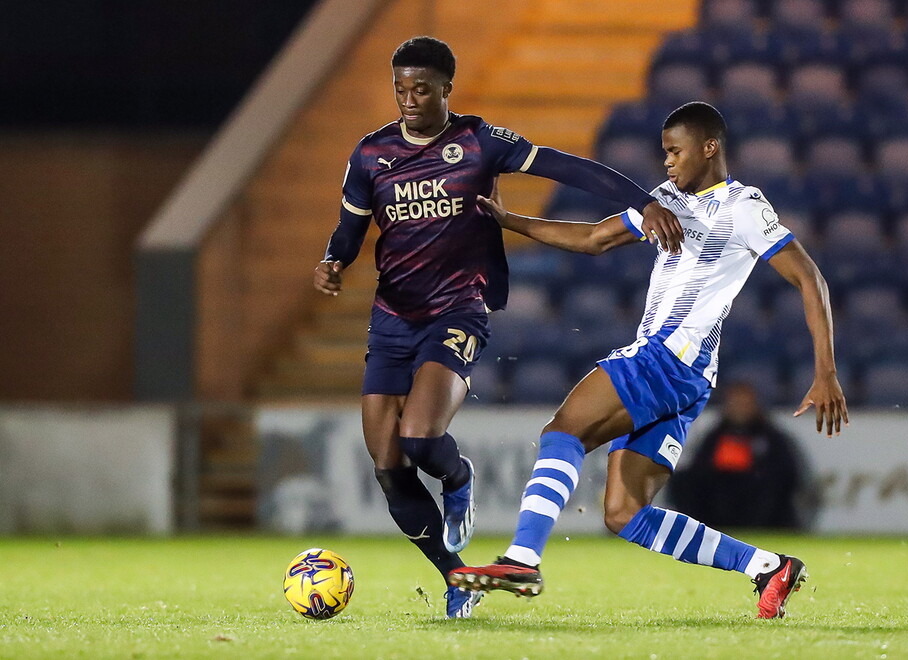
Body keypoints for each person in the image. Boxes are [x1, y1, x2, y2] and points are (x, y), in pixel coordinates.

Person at [312, 36, 684, 619]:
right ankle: (456, 576)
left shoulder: (478, 142)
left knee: (419, 440)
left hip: (458, 308)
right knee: (388, 468)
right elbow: (351, 226)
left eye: (422, 89)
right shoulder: (370, 154)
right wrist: (335, 260)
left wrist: (646, 202)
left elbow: (573, 167)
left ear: (445, 89)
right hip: (391, 316)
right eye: (401, 88)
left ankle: (459, 479)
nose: (409, 100)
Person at [449, 101, 849, 620]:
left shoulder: (743, 207)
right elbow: (595, 238)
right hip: (687, 377)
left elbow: (808, 277)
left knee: (564, 431)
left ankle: (523, 557)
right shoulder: (665, 201)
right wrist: (510, 222)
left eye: (675, 151)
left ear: (709, 148)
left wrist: (826, 371)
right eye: (663, 153)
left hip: (666, 358)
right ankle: (768, 567)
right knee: (624, 512)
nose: (666, 163)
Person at [669, 381, 814, 530]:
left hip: (755, 492)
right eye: (735, 404)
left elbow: (786, 472)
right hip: (720, 491)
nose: (740, 409)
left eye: (745, 404)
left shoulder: (771, 436)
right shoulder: (716, 435)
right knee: (683, 480)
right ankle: (696, 529)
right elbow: (700, 466)